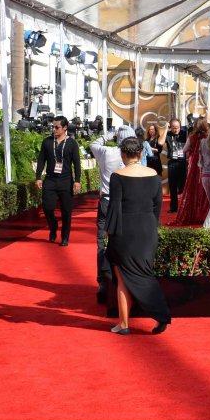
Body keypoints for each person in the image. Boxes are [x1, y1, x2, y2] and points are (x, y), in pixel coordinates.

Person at [105, 136, 170, 336]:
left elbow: (114, 207)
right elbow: (158, 205)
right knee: (143, 272)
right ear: (141, 153)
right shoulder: (153, 174)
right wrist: (151, 224)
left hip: (125, 230)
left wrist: (109, 232)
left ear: (123, 154)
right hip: (147, 228)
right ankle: (159, 314)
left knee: (123, 277)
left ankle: (124, 324)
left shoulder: (118, 175)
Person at [88, 125, 135, 304]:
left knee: (102, 243)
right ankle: (127, 278)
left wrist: (109, 134)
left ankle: (103, 281)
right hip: (126, 202)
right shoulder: (134, 156)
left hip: (107, 201)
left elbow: (93, 144)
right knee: (127, 240)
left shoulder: (107, 152)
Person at [34, 116, 82, 246]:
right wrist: (38, 177)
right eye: (53, 127)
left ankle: (65, 236)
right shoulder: (47, 142)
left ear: (65, 128)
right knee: (47, 207)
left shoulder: (72, 143)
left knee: (66, 211)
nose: (54, 129)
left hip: (66, 181)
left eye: (57, 127)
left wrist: (77, 181)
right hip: (50, 180)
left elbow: (77, 164)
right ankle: (53, 226)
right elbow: (41, 160)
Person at [172, 119, 210, 227]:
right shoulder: (208, 137)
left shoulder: (192, 137)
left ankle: (193, 213)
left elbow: (184, 150)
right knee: (205, 190)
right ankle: (204, 215)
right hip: (205, 164)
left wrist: (191, 151)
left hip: (194, 165)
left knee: (192, 188)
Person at [164, 118, 189, 213]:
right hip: (172, 163)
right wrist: (166, 128)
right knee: (172, 187)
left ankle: (184, 207)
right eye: (174, 128)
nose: (176, 130)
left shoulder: (184, 133)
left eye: (178, 127)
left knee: (183, 186)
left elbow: (189, 130)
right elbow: (161, 142)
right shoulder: (168, 134)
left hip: (182, 162)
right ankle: (174, 207)